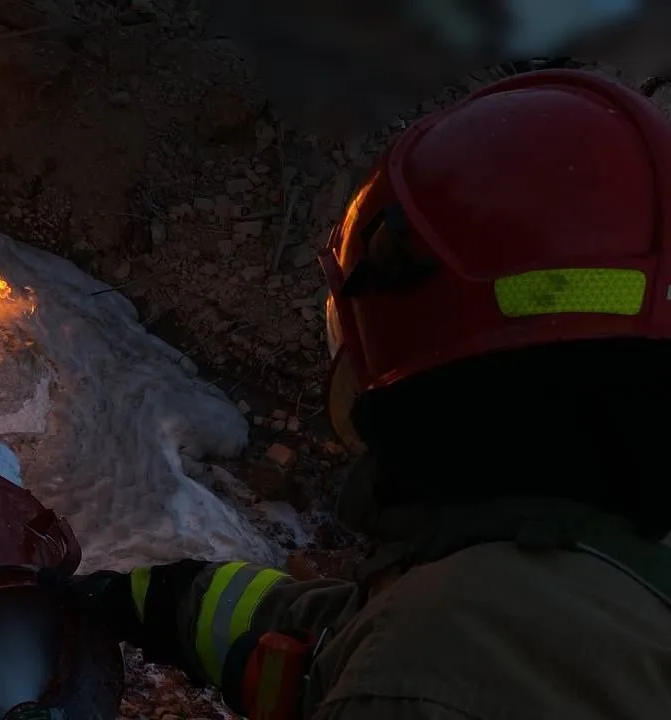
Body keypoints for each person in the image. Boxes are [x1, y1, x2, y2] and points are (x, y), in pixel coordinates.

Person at [66, 69, 671, 719]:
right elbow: (342, 635)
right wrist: (145, 602)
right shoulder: (578, 564)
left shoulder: (443, 657)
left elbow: (405, 653)